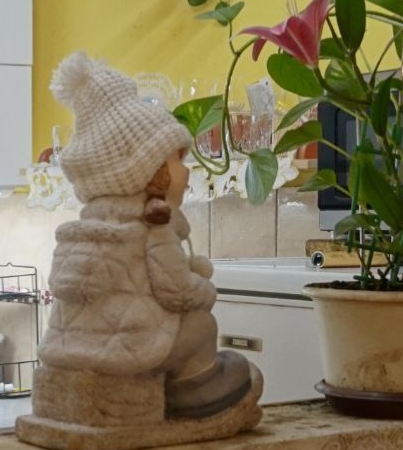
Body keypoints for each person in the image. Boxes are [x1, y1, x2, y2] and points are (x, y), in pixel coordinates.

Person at [40, 53, 255, 419]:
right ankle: (195, 391)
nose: (186, 172)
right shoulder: (152, 228)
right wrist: (204, 289)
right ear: (149, 172)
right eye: (178, 161)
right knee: (201, 324)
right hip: (133, 351)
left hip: (65, 352)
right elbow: (176, 291)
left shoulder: (79, 231)